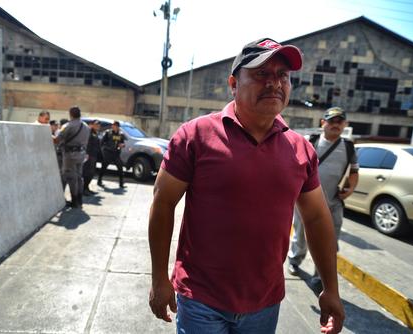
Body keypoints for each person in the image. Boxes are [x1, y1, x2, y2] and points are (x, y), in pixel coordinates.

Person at [148, 38, 345, 334]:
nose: (274, 83)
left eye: (282, 75)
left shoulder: (301, 149)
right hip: (201, 299)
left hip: (264, 304)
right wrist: (159, 278)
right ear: (233, 83)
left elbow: (317, 218)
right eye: (261, 74)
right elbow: (163, 204)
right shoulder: (196, 135)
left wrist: (331, 287)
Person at [288, 107, 359, 286]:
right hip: (305, 202)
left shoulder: (349, 147)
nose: (335, 125)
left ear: (345, 124)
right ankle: (295, 260)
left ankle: (320, 276)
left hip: (333, 203)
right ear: (323, 123)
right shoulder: (310, 141)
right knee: (301, 235)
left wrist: (350, 189)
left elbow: (354, 171)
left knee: (329, 241)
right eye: (331, 121)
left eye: (339, 121)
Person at [53, 107, 90, 208]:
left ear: (70, 114)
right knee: (79, 177)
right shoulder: (86, 126)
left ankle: (74, 202)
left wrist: (47, 131)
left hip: (70, 156)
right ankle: (79, 200)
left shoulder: (68, 125)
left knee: (71, 178)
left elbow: (56, 140)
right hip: (81, 155)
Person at [97, 121, 127, 188]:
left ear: (118, 127)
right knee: (104, 167)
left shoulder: (120, 134)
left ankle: (121, 183)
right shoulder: (108, 133)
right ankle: (99, 181)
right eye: (113, 125)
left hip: (116, 153)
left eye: (116, 126)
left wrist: (122, 145)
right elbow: (102, 142)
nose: (114, 127)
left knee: (120, 168)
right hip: (108, 153)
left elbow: (123, 143)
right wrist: (104, 151)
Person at [83, 120, 101, 195]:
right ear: (92, 125)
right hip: (89, 155)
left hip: (94, 155)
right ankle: (84, 189)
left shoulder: (95, 133)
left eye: (99, 125)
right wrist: (86, 154)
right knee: (87, 173)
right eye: (96, 125)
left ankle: (86, 188)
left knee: (91, 173)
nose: (98, 126)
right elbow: (87, 144)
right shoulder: (89, 132)